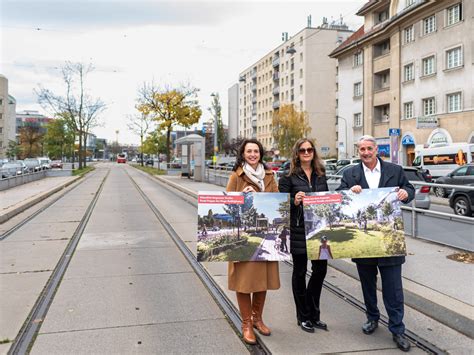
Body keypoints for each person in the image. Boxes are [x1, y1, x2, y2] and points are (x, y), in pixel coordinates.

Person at [337, 135, 415, 352]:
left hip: (390, 238)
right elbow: (338, 197)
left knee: (393, 288)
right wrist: (347, 193)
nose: (365, 152)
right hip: (364, 240)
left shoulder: (395, 170)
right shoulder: (350, 174)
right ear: (358, 151)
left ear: (376, 150)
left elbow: (410, 190)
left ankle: (397, 329)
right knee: (367, 284)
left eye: (369, 148)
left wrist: (405, 193)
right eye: (361, 149)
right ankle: (372, 317)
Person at [226, 138, 280, 345]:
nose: (253, 155)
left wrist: (264, 196)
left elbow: (276, 200)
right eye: (249, 151)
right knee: (244, 282)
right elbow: (227, 204)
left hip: (265, 236)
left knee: (261, 280)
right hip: (243, 238)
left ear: (260, 154)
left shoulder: (269, 175)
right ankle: (246, 323)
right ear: (243, 154)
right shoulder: (236, 176)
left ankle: (257, 318)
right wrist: (241, 196)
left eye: (256, 151)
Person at [278, 138, 329, 333]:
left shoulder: (320, 175)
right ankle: (303, 316)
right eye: (302, 150)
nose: (306, 153)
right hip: (298, 231)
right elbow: (281, 203)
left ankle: (313, 314)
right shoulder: (288, 177)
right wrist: (294, 200)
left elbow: (327, 199)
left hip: (319, 230)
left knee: (320, 271)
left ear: (314, 152)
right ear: (297, 153)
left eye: (309, 149)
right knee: (299, 273)